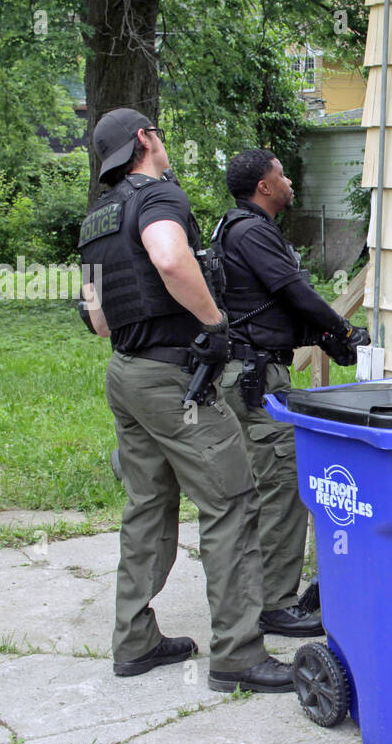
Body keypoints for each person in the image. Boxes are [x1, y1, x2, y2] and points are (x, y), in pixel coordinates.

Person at [77, 108, 293, 693]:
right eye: (160, 134)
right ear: (145, 140)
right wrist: (214, 319)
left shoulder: (97, 219)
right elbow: (170, 258)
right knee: (232, 499)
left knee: (147, 505)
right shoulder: (157, 198)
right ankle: (238, 654)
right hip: (177, 382)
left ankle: (135, 640)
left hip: (125, 373)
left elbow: (96, 319)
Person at [212, 148, 368, 638]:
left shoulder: (230, 229)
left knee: (259, 488)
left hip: (242, 371)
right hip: (256, 377)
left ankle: (257, 591)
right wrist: (342, 331)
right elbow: (296, 294)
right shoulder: (253, 231)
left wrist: (321, 337)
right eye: (281, 174)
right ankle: (275, 605)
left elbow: (269, 310)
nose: (289, 181)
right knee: (283, 484)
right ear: (264, 186)